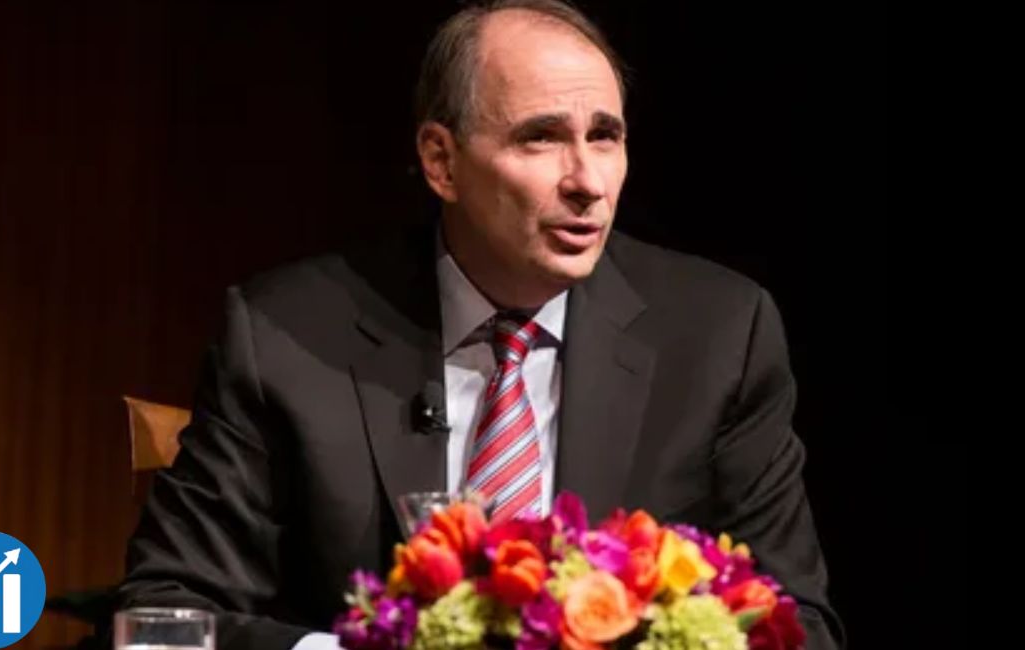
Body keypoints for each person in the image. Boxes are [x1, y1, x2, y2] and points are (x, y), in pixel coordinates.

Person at [117, 1, 844, 648]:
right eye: (541, 138)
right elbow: (166, 615)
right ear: (442, 161)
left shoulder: (717, 335)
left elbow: (796, 620)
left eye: (606, 136)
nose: (588, 180)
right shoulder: (286, 334)